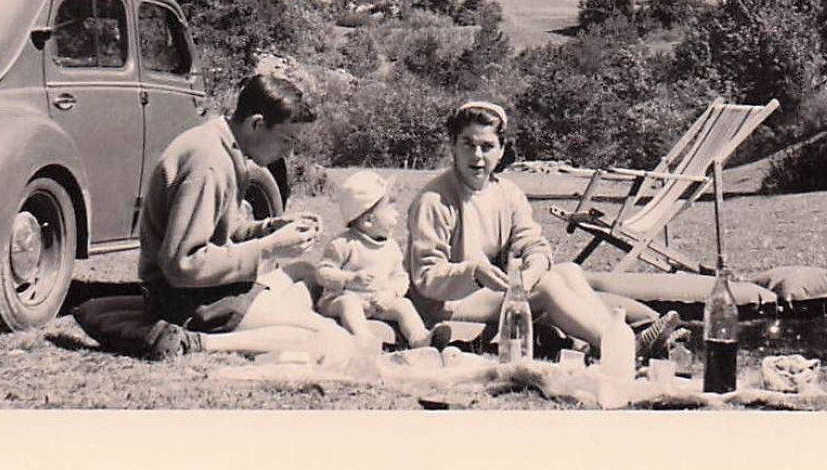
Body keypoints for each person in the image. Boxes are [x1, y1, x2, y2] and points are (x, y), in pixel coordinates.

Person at [407, 100, 680, 359]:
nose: (477, 156)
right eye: (468, 144)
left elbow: (534, 244)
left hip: (490, 290)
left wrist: (530, 274)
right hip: (447, 304)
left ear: (501, 150)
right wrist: (475, 273)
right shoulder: (435, 199)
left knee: (568, 271)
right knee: (549, 287)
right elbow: (427, 278)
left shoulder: (507, 193)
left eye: (487, 146)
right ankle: (620, 349)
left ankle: (614, 340)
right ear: (453, 146)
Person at [136, 73, 355, 362]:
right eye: (286, 139)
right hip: (188, 300)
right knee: (331, 339)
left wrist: (269, 228)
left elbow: (222, 231)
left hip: (209, 289)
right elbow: (182, 265)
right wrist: (269, 248)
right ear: (256, 124)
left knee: (305, 271)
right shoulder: (209, 162)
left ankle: (274, 318)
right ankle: (199, 341)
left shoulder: (225, 146)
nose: (289, 153)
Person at [313, 170, 432, 349]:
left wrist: (390, 293)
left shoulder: (390, 247)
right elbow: (322, 272)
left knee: (404, 305)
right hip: (340, 300)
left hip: (376, 302)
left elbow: (400, 277)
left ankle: (420, 339)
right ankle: (364, 340)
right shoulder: (343, 244)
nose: (397, 214)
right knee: (349, 303)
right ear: (369, 220)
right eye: (391, 207)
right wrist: (349, 279)